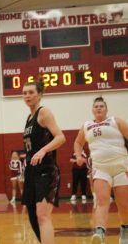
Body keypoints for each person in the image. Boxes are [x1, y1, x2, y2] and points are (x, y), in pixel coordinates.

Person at [74, 96, 128, 244]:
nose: (98, 108)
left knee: (123, 205)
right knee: (102, 201)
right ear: (92, 110)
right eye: (96, 106)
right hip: (100, 168)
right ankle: (100, 233)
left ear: (106, 109)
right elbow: (78, 142)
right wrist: (78, 156)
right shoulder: (86, 125)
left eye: (101, 106)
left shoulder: (116, 121)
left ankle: (125, 229)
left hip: (121, 168)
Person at [21, 81, 66, 244]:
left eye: (31, 92)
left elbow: (61, 137)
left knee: (42, 215)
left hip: (46, 170)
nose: (27, 95)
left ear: (39, 95)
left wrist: (43, 150)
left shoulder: (43, 112)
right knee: (33, 216)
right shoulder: (29, 118)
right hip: (31, 172)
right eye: (24, 92)